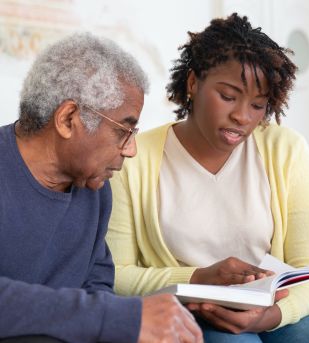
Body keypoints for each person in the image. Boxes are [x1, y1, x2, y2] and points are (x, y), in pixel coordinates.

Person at [107, 13, 309, 343]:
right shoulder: (134, 158)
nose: (242, 116)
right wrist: (197, 278)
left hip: (274, 308)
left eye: (258, 105)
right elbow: (116, 275)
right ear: (193, 83)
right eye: (229, 96)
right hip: (190, 309)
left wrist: (271, 317)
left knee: (306, 333)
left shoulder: (287, 151)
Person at [0, 32, 205, 343]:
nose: (131, 149)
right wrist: (120, 318)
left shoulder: (94, 188)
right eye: (124, 130)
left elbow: (97, 288)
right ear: (68, 118)